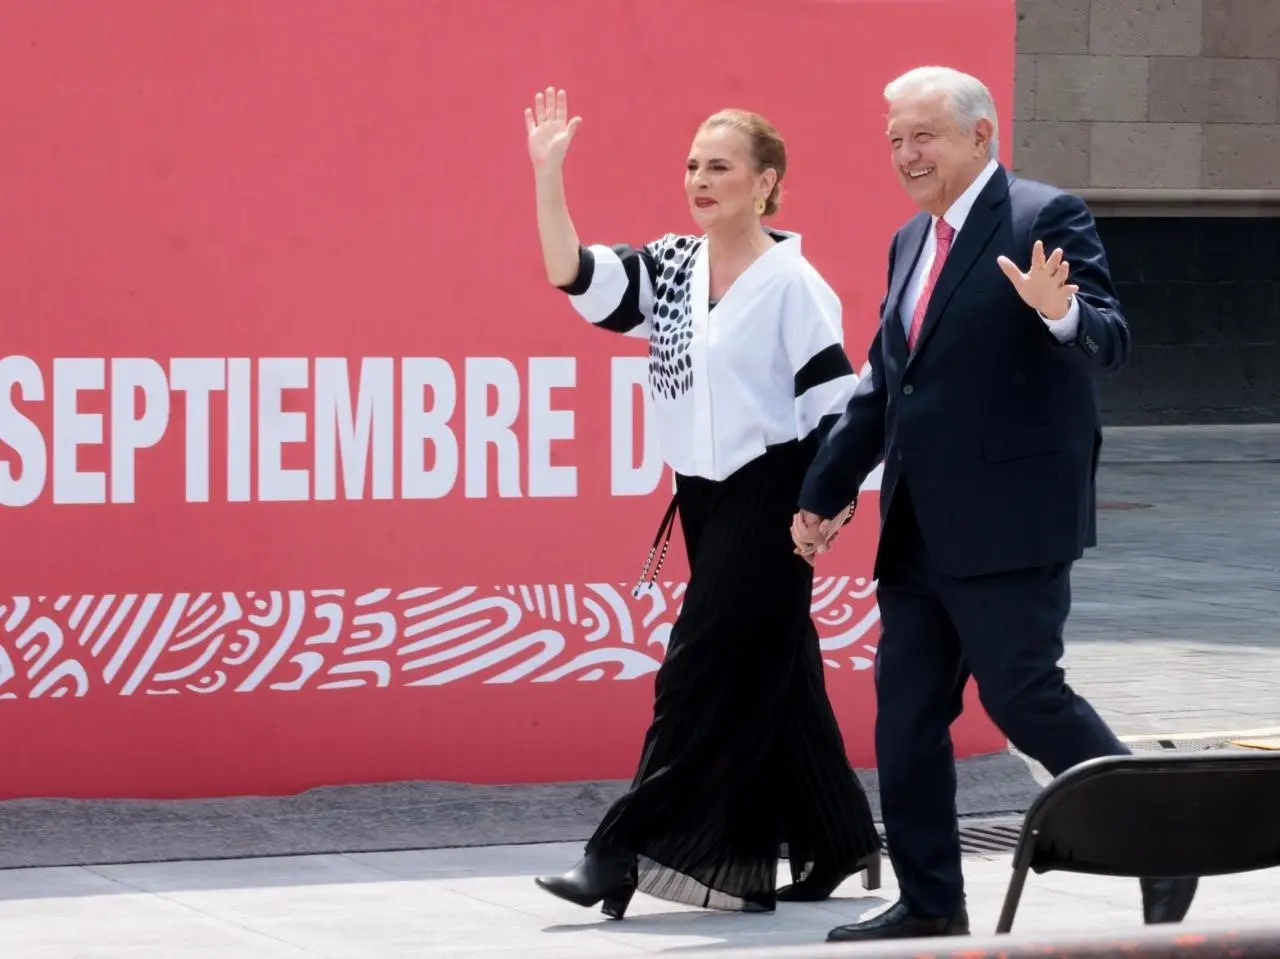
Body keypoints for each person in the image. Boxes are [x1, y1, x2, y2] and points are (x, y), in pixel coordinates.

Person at [791, 66, 1199, 941]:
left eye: (923, 135)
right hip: (916, 531)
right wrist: (825, 490)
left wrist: (1063, 315)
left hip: (1011, 521)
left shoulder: (1042, 215)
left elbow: (1111, 339)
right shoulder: (909, 240)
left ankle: (1166, 840)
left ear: (980, 136)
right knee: (904, 718)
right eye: (895, 138)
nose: (905, 153)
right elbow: (886, 382)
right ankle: (931, 898)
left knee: (1025, 699)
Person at [523, 86, 881, 919]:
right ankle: (837, 837)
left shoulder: (794, 284)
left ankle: (616, 853)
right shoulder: (674, 267)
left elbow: (842, 409)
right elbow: (571, 273)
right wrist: (549, 178)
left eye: (720, 166)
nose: (700, 178)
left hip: (776, 493)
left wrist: (828, 507)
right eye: (692, 165)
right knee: (778, 672)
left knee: (699, 674)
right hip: (702, 499)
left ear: (766, 183)